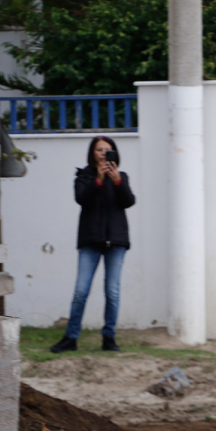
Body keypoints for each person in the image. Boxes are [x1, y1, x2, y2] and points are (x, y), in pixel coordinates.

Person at [51, 136, 136, 353]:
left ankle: (109, 337)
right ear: (92, 153)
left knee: (112, 291)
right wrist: (98, 179)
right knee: (81, 290)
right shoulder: (83, 177)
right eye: (99, 149)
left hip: (116, 241)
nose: (103, 153)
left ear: (114, 154)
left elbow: (128, 201)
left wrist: (116, 180)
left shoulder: (122, 177)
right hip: (91, 240)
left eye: (108, 150)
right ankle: (71, 337)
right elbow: (82, 199)